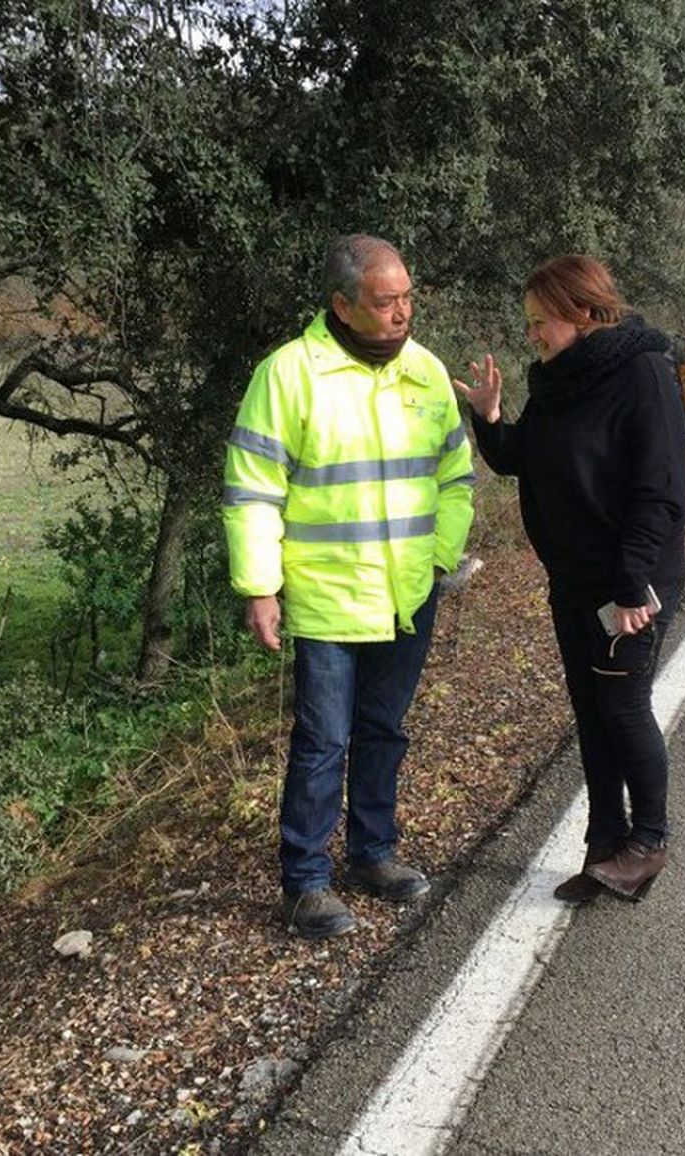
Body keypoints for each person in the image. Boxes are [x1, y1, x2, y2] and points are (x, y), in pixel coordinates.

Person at [222, 234, 476, 939]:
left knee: (383, 731)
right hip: (329, 599)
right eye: (386, 301)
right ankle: (305, 882)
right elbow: (252, 489)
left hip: (409, 595)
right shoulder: (288, 375)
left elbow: (455, 477)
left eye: (408, 298)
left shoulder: (425, 371)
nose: (403, 312)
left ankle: (373, 854)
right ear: (342, 305)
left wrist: (439, 558)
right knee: (323, 742)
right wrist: (260, 587)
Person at [454, 255, 685, 903]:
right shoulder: (556, 381)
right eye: (527, 322)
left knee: (622, 707)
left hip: (630, 585)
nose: (531, 334)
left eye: (539, 321)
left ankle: (649, 842)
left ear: (582, 311)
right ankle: (605, 845)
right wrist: (489, 416)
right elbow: (518, 459)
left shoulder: (643, 371)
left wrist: (632, 584)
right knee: (591, 711)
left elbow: (661, 490)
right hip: (574, 583)